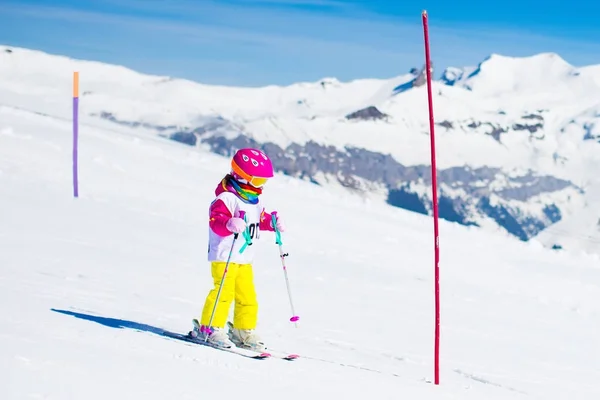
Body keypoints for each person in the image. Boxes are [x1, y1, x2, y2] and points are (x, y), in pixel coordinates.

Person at [191, 148, 285, 351]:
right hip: (224, 256)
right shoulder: (226, 198)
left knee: (247, 296)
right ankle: (210, 328)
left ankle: (243, 330)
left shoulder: (256, 201)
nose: (261, 186)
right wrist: (228, 223)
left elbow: (259, 220)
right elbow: (216, 221)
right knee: (223, 293)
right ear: (242, 176)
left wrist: (272, 223)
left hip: (244, 259)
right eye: (258, 181)